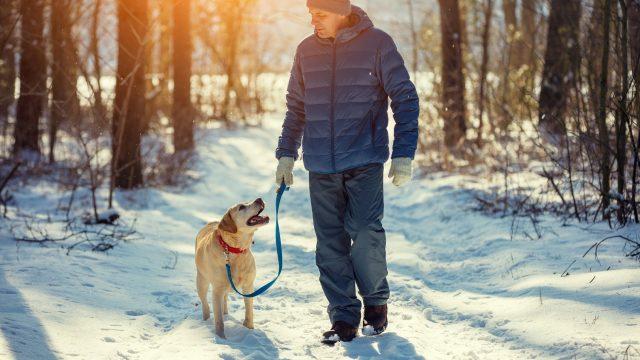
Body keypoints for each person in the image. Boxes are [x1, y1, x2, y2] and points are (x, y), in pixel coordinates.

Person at [274, 0, 419, 344]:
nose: (313, 21)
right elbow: (296, 106)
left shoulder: (378, 43)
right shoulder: (306, 50)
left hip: (364, 160)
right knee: (329, 244)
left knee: (366, 232)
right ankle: (342, 318)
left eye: (320, 14)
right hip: (320, 164)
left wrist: (403, 154)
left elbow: (405, 97)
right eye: (310, 14)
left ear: (341, 11)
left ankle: (376, 303)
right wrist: (285, 154)